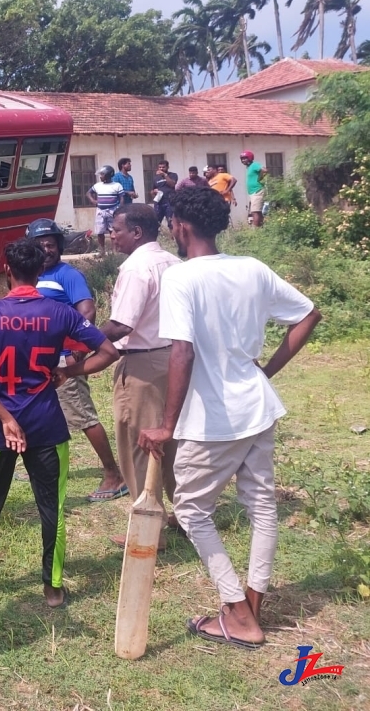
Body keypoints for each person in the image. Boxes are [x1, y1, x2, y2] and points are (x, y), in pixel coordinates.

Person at [139, 187, 321, 650]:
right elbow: (308, 314)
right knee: (261, 505)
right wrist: (267, 370)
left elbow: (182, 349)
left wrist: (166, 424)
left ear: (180, 225)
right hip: (257, 407)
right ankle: (251, 606)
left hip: (212, 419)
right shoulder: (252, 269)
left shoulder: (182, 279)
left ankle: (238, 613)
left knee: (192, 511)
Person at [0, 239, 118, 607]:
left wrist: (4, 418)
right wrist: (69, 370)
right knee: (53, 504)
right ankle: (53, 589)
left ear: (7, 272)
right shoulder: (61, 313)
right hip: (47, 422)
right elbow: (108, 352)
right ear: (40, 271)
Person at [99, 205, 182, 551]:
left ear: (136, 232)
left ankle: (150, 530)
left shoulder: (136, 268)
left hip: (144, 365)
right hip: (176, 360)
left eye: (117, 230)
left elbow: (121, 325)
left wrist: (78, 339)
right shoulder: (173, 263)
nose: (111, 235)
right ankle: (188, 515)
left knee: (137, 445)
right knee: (172, 443)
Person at [26, 219, 127, 501]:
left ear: (59, 246)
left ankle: (113, 474)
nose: (46, 249)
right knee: (41, 414)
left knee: (82, 416)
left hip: (62, 361)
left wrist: (77, 350)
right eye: (40, 245)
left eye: (51, 244)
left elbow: (87, 311)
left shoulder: (66, 275)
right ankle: (42, 466)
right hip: (38, 361)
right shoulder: (33, 277)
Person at [88, 166, 124, 257]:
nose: (100, 176)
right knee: (100, 232)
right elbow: (88, 193)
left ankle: (114, 251)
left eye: (102, 174)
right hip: (100, 211)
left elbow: (121, 198)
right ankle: (101, 251)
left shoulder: (117, 185)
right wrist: (93, 201)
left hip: (112, 211)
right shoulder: (97, 185)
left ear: (109, 175)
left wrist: (119, 208)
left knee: (113, 231)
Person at [241, 151, 268, 227]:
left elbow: (264, 170)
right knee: (258, 212)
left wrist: (260, 177)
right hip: (253, 192)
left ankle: (255, 230)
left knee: (255, 212)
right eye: (242, 159)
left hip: (257, 191)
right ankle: (260, 229)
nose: (243, 160)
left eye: (245, 158)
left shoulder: (254, 165)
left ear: (249, 158)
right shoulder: (249, 167)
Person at [151, 163, 176, 230]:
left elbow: (172, 184)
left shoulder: (173, 175)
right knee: (156, 222)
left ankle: (173, 239)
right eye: (160, 167)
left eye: (163, 167)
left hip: (170, 201)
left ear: (168, 167)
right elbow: (151, 191)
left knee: (171, 222)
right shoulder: (156, 178)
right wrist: (154, 191)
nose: (161, 169)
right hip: (159, 202)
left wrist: (165, 175)